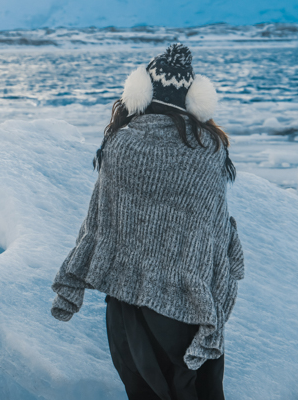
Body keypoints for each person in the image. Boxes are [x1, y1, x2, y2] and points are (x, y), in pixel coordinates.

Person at [50, 43, 244, 400]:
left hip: (126, 306)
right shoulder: (208, 147)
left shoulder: (121, 142)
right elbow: (215, 228)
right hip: (187, 305)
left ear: (141, 92)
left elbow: (99, 222)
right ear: (192, 99)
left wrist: (76, 276)